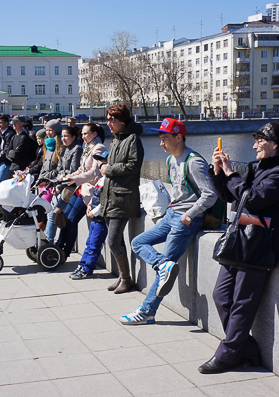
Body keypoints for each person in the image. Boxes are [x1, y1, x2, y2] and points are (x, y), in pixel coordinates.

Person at [199, 121, 279, 374]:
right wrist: (219, 172)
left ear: (275, 145)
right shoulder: (257, 168)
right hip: (240, 240)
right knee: (221, 296)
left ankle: (227, 356)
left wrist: (231, 174)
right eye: (254, 141)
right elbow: (229, 196)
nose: (254, 146)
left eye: (260, 141)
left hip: (261, 245)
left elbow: (251, 199)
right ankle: (248, 350)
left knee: (243, 301)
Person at [119, 118, 217, 324]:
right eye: (160, 139)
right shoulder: (171, 160)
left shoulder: (194, 161)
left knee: (165, 271)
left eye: (165, 139)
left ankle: (147, 312)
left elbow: (210, 195)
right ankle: (162, 265)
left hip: (186, 220)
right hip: (171, 215)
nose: (161, 143)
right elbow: (179, 191)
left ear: (179, 137)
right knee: (138, 243)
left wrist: (189, 214)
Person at [99, 104, 144, 294]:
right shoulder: (116, 139)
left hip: (123, 197)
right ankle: (122, 277)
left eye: (112, 119)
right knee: (117, 240)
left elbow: (134, 165)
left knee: (112, 240)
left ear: (122, 122)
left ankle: (126, 278)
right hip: (111, 195)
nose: (108, 123)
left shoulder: (133, 139)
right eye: (107, 118)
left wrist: (108, 169)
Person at [58, 123, 106, 263]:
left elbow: (94, 173)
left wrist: (74, 179)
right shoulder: (87, 148)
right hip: (80, 188)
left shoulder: (99, 148)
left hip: (89, 191)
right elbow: (81, 169)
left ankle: (66, 252)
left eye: (86, 134)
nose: (83, 136)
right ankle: (59, 245)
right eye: (83, 134)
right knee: (65, 216)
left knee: (72, 219)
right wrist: (68, 177)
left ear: (95, 134)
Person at [43, 126, 83, 243]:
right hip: (62, 184)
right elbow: (60, 169)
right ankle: (50, 240)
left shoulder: (77, 149)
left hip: (69, 188)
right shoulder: (65, 149)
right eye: (62, 136)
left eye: (66, 136)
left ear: (73, 137)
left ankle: (48, 241)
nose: (63, 138)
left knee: (53, 213)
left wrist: (59, 187)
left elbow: (73, 170)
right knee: (52, 212)